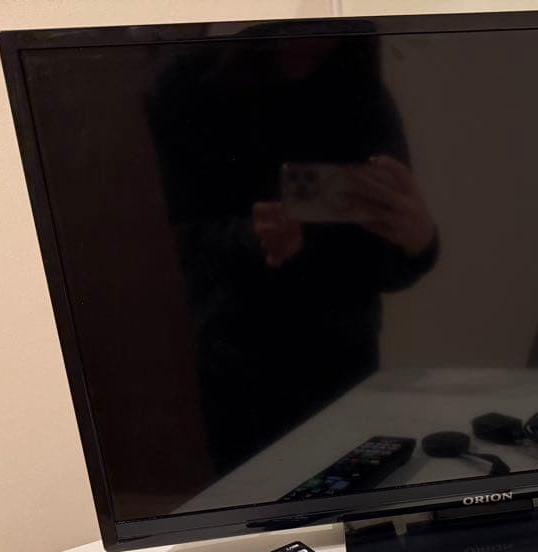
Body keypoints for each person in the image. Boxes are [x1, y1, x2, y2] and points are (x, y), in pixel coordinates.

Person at [147, 35, 438, 475]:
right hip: (241, 364)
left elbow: (385, 262)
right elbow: (173, 239)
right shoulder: (189, 86)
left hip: (341, 362)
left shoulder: (361, 92)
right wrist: (250, 238)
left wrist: (419, 241)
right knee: (256, 498)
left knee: (344, 495)